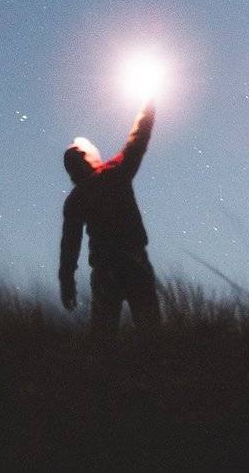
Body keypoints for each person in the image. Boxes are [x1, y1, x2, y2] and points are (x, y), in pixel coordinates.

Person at [59, 100, 161, 330]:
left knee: (103, 337)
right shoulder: (116, 173)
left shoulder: (76, 199)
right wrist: (148, 107)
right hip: (134, 263)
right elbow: (138, 141)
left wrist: (67, 282)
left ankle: (104, 365)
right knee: (150, 331)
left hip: (105, 270)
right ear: (87, 159)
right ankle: (155, 364)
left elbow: (70, 245)